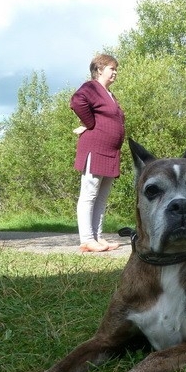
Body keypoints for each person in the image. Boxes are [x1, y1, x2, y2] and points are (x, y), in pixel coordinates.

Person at [70, 53, 125, 253]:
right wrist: (90, 123)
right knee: (89, 194)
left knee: (101, 197)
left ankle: (97, 237)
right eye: (112, 68)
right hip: (96, 148)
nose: (115, 72)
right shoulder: (91, 87)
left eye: (116, 69)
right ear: (99, 69)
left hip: (111, 152)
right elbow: (77, 101)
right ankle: (86, 239)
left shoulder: (109, 94)